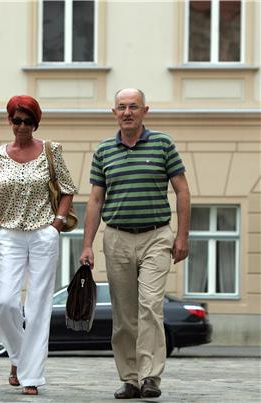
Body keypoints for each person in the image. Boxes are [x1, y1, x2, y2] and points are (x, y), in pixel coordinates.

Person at [79, 88, 190, 399]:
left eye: (133, 107)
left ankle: (150, 376)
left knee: (151, 306)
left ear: (145, 111)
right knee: (124, 313)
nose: (127, 112)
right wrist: (87, 245)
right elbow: (95, 200)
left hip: (157, 236)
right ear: (114, 112)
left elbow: (182, 190)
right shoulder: (104, 151)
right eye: (121, 107)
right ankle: (129, 378)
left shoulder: (163, 144)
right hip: (117, 238)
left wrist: (182, 236)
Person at [0, 95, 77, 396]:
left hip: (43, 233)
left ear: (35, 123)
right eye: (16, 120)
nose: (21, 126)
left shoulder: (51, 151)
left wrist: (57, 224)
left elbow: (68, 189)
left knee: (38, 305)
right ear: (9, 121)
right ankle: (20, 357)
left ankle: (31, 376)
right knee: (5, 300)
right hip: (9, 232)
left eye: (27, 121)